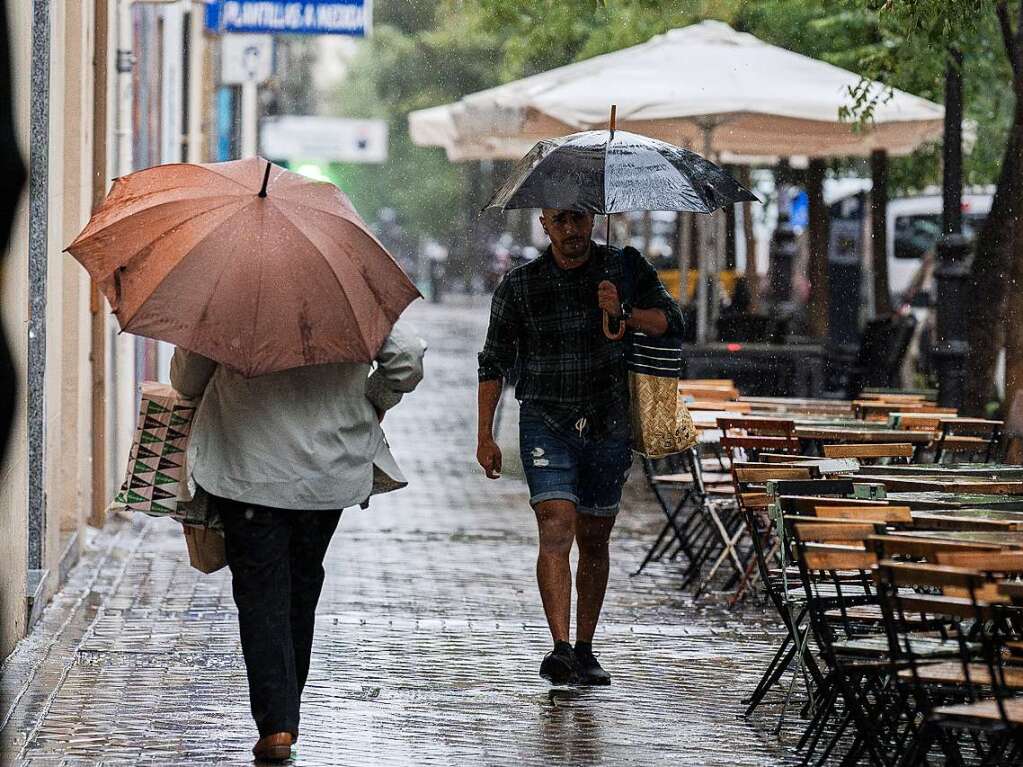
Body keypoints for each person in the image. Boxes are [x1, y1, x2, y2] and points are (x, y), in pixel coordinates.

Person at [171, 321, 426, 762]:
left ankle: (278, 723)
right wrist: (374, 397)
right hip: (327, 470)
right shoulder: (346, 294)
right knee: (300, 586)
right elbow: (405, 360)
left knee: (261, 594)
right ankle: (284, 715)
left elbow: (187, 379)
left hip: (247, 468)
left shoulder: (232, 294)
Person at [476, 209, 682, 685]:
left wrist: (622, 312)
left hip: (608, 424)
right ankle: (561, 648)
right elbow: (494, 361)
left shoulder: (624, 268)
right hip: (546, 421)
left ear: (592, 219)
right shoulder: (519, 285)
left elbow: (670, 322)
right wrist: (484, 435)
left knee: (594, 537)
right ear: (544, 224)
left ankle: (586, 647)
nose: (572, 231)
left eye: (579, 219)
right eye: (561, 221)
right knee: (556, 525)